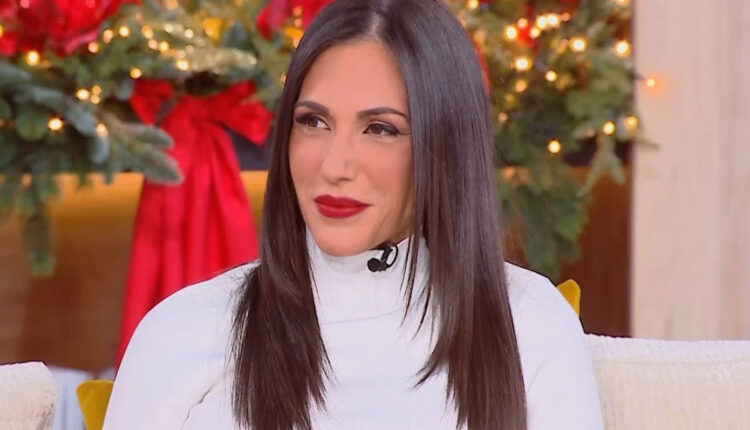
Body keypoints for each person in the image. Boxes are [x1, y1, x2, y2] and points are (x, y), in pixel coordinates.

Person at [103, 0, 604, 429]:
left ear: (445, 146)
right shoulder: (183, 330)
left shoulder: (530, 324)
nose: (334, 166)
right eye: (314, 122)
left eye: (380, 129)